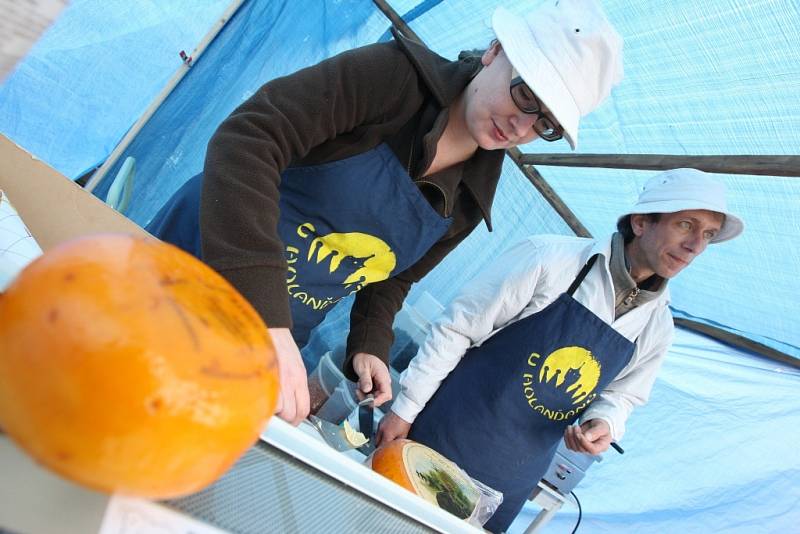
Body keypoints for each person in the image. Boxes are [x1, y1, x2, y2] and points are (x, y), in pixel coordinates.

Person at [145, 0, 623, 426]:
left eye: (545, 124)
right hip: (190, 269)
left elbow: (394, 276)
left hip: (279, 331)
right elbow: (250, 139)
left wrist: (371, 344)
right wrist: (266, 319)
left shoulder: (470, 199)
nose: (522, 125)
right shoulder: (393, 79)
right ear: (495, 52)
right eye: (525, 95)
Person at [376, 168, 745, 532]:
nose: (695, 245)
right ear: (641, 223)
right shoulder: (550, 259)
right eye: (686, 225)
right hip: (443, 438)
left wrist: (604, 423)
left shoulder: (657, 326)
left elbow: (624, 395)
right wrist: (405, 409)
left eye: (708, 235)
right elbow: (456, 328)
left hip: (510, 479)